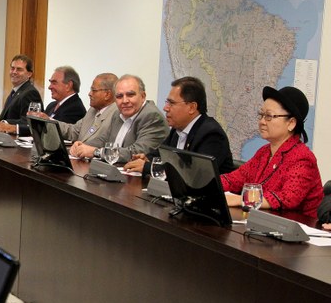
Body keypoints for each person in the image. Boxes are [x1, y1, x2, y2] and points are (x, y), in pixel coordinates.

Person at [221, 86, 323, 217]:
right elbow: (234, 179)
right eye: (261, 115)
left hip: (298, 230)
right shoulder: (264, 152)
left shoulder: (303, 158)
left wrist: (240, 199)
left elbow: (287, 198)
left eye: (269, 116)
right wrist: (206, 185)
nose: (262, 122)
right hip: (263, 224)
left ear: (291, 123)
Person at [124, 76, 235, 175]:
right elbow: (160, 154)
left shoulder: (211, 134)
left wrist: (148, 167)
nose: (165, 108)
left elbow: (194, 174)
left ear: (192, 107)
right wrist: (147, 158)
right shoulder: (178, 129)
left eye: (171, 103)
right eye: (167, 102)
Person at [70, 74, 168, 164]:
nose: (125, 101)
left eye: (130, 95)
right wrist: (82, 146)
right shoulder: (118, 113)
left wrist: (96, 152)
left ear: (143, 96)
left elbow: (136, 152)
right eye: (119, 96)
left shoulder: (152, 116)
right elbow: (103, 139)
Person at [54, 72, 119, 146]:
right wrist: (49, 121)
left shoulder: (116, 114)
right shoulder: (92, 110)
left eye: (94, 90)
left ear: (107, 94)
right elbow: (73, 131)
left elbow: (109, 147)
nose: (90, 93)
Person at [0, 55, 42, 133]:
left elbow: (28, 121)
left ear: (29, 74)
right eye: (12, 68)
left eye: (19, 69)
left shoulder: (30, 93)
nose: (14, 72)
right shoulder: (16, 91)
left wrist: (5, 123)